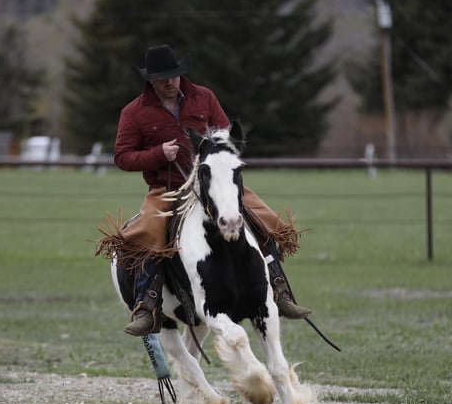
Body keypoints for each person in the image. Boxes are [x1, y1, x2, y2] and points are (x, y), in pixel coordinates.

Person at [97, 44, 310, 336]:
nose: (169, 82)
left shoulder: (204, 97)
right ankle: (147, 305)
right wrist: (159, 154)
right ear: (150, 80)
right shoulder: (134, 112)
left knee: (263, 220)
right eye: (162, 78)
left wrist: (216, 155)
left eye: (173, 76)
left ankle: (280, 289)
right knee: (148, 235)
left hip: (215, 183)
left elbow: (224, 134)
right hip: (168, 190)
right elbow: (122, 157)